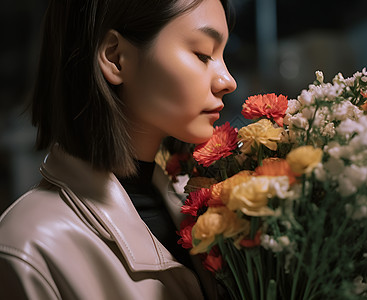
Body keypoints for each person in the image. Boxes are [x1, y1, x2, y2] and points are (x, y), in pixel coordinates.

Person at [0, 0, 237, 299]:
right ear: (115, 57)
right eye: (203, 54)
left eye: (222, 55)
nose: (228, 81)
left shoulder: (202, 203)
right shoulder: (30, 248)